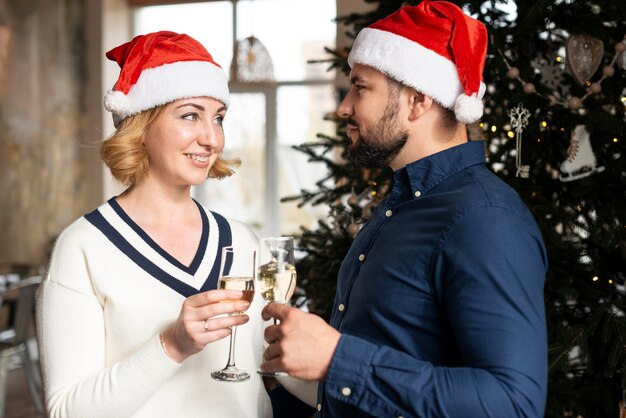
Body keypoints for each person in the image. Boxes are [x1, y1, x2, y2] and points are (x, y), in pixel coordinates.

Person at [260, 1, 548, 417]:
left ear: (416, 101)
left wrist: (337, 358)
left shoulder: (484, 217)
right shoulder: (402, 204)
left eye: (360, 87)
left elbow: (513, 403)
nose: (344, 107)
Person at [36, 31, 272, 418]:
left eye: (219, 118)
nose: (211, 138)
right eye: (190, 115)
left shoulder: (242, 241)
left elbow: (275, 363)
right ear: (140, 127)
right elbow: (66, 410)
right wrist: (173, 344)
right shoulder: (83, 246)